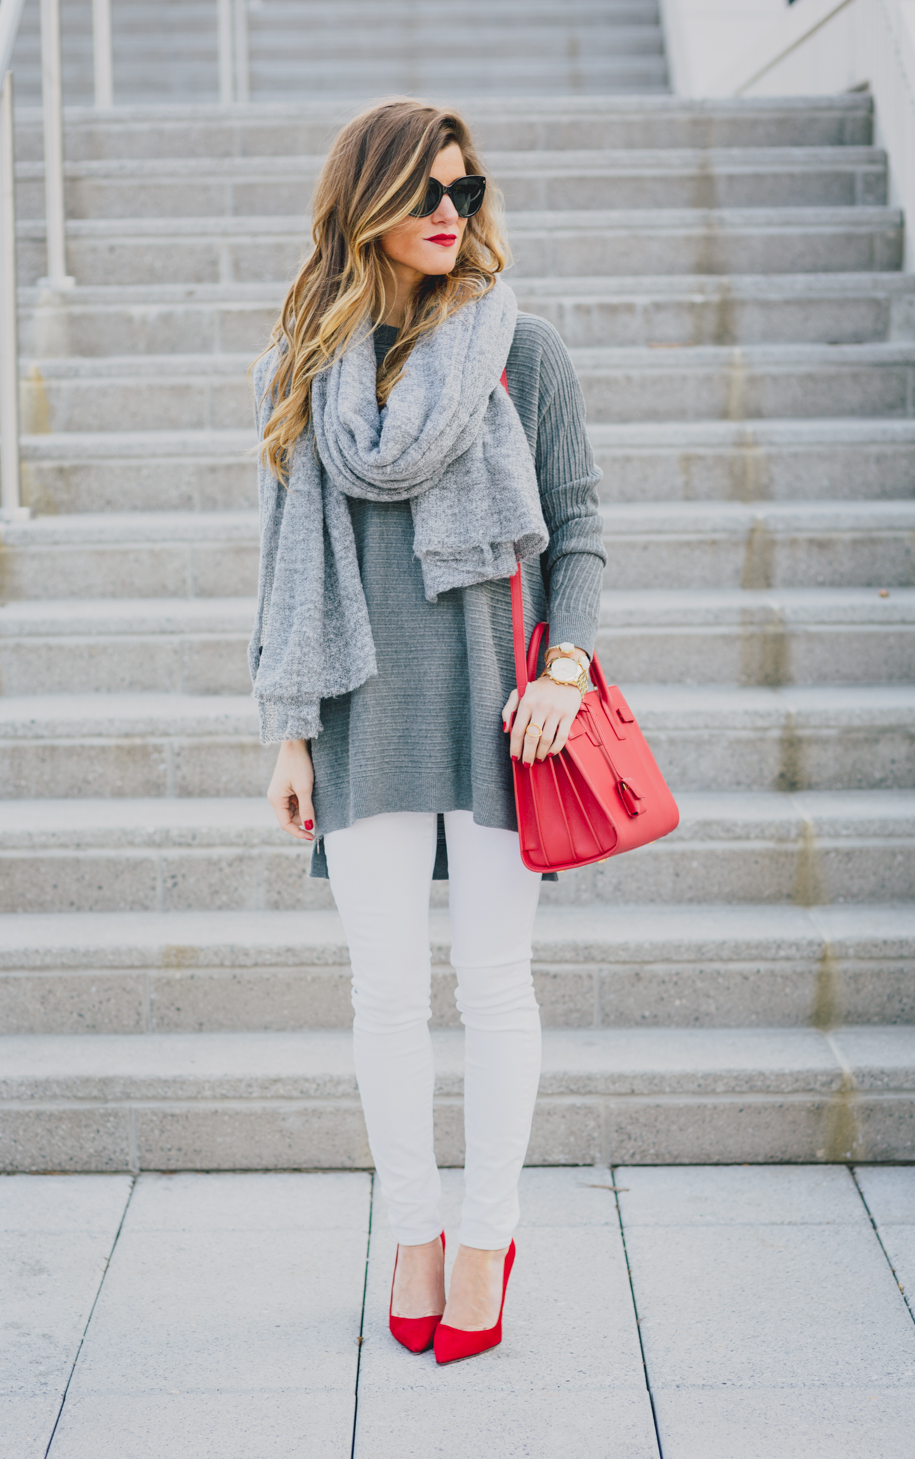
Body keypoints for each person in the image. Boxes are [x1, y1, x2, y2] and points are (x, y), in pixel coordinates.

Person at [250, 99, 604, 1364]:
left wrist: (563, 665)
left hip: (505, 713)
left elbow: (580, 528)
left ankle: (485, 1235)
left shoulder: (524, 352)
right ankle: (412, 1227)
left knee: (494, 986)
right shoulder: (305, 365)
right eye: (424, 192)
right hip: (356, 707)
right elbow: (283, 564)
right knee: (386, 995)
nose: (450, 213)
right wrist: (288, 732)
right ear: (369, 205)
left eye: (464, 190)